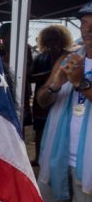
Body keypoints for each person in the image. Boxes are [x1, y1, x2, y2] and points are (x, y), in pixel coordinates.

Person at [37, 1, 92, 202]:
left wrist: (80, 82)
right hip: (57, 155)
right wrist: (56, 84)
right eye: (83, 23)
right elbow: (42, 100)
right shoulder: (67, 58)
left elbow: (81, 85)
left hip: (89, 160)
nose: (87, 29)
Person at [29, 25, 73, 166]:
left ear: (62, 40)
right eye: (49, 41)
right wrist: (50, 75)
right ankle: (38, 158)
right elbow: (29, 77)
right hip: (42, 97)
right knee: (40, 129)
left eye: (56, 40)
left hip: (64, 98)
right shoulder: (41, 58)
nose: (52, 44)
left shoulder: (70, 56)